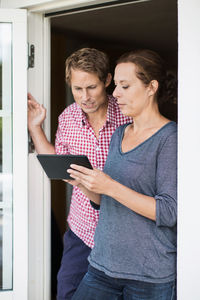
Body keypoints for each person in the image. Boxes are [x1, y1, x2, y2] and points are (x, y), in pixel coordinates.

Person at [66, 49, 177, 300]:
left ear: (151, 87)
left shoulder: (171, 138)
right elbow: (106, 201)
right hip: (102, 265)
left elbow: (169, 212)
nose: (115, 94)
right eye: (116, 85)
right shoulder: (120, 133)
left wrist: (110, 186)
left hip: (148, 275)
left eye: (125, 86)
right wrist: (85, 184)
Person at [28, 47, 132, 300]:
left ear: (107, 81)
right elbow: (59, 162)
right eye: (77, 89)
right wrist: (35, 128)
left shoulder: (129, 115)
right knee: (67, 292)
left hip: (123, 232)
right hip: (82, 229)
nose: (84, 97)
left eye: (92, 87)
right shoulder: (68, 118)